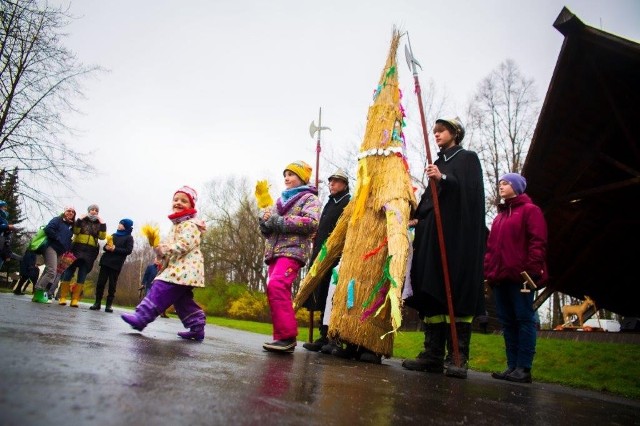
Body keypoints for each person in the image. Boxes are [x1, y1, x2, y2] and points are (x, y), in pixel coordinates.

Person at [403, 116, 486, 379]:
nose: (436, 135)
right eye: (435, 131)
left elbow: (471, 194)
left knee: (455, 291)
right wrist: (418, 215)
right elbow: (430, 199)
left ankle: (458, 357)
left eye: (442, 131)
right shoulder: (436, 163)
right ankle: (433, 354)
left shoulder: (467, 159)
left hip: (457, 238)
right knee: (432, 291)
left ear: (455, 133)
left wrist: (445, 178)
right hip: (431, 237)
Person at [121, 186, 208, 341]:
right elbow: (168, 245)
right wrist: (159, 248)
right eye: (176, 200)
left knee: (161, 287)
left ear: (191, 205)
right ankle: (197, 326)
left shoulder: (190, 224)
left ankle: (142, 317)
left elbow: (184, 244)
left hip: (185, 269)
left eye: (184, 200)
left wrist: (166, 249)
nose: (178, 202)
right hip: (180, 269)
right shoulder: (177, 225)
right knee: (181, 299)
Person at [484, 173, 548, 384]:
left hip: (521, 277)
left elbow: (537, 242)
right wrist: (488, 272)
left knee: (523, 319)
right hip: (499, 278)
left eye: (506, 183)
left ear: (517, 187)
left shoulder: (531, 211)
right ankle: (512, 366)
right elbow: (491, 249)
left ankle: (524, 368)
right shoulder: (499, 217)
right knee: (507, 322)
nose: (501, 186)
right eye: (500, 183)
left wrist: (531, 271)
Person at [258, 160, 321, 353]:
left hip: (293, 250)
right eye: (285, 174)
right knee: (273, 289)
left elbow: (311, 222)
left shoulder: (310, 199)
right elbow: (271, 226)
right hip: (275, 251)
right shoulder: (279, 201)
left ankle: (287, 336)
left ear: (302, 177)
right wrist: (265, 223)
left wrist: (279, 221)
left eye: (291, 174)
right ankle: (281, 337)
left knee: (277, 285)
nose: (287, 178)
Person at [302, 168, 350, 352]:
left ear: (344, 184)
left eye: (336, 181)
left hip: (336, 255)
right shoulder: (329, 203)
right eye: (331, 181)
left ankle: (334, 337)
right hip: (321, 252)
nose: (332, 184)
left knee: (333, 295)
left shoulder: (347, 202)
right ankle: (323, 335)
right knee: (321, 294)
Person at [58, 204, 107, 307]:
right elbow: (75, 231)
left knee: (82, 275)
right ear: (88, 211)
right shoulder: (82, 220)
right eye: (92, 210)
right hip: (76, 248)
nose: (94, 212)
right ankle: (62, 297)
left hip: (90, 251)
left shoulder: (99, 223)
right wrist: (79, 219)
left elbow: (102, 237)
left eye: (96, 210)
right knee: (69, 271)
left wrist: (103, 224)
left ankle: (75, 299)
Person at [32, 207, 76, 304]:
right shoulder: (57, 220)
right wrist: (58, 238)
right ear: (64, 212)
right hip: (51, 247)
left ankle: (37, 294)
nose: (71, 213)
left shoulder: (71, 227)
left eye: (73, 212)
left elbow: (69, 240)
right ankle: (39, 292)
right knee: (51, 271)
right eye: (69, 211)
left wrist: (67, 250)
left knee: (48, 271)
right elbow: (49, 229)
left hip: (60, 251)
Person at [90, 218, 135, 312]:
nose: (119, 225)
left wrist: (115, 249)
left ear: (126, 226)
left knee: (112, 284)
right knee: (100, 283)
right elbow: (105, 247)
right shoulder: (113, 235)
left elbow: (128, 251)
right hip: (106, 262)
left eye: (121, 224)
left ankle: (108, 305)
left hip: (116, 264)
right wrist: (107, 247)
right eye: (119, 223)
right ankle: (97, 302)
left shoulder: (129, 238)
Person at [0, 200, 21, 270]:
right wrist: (7, 227)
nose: (5, 209)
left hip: (2, 245)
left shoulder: (4, 219)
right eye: (4, 207)